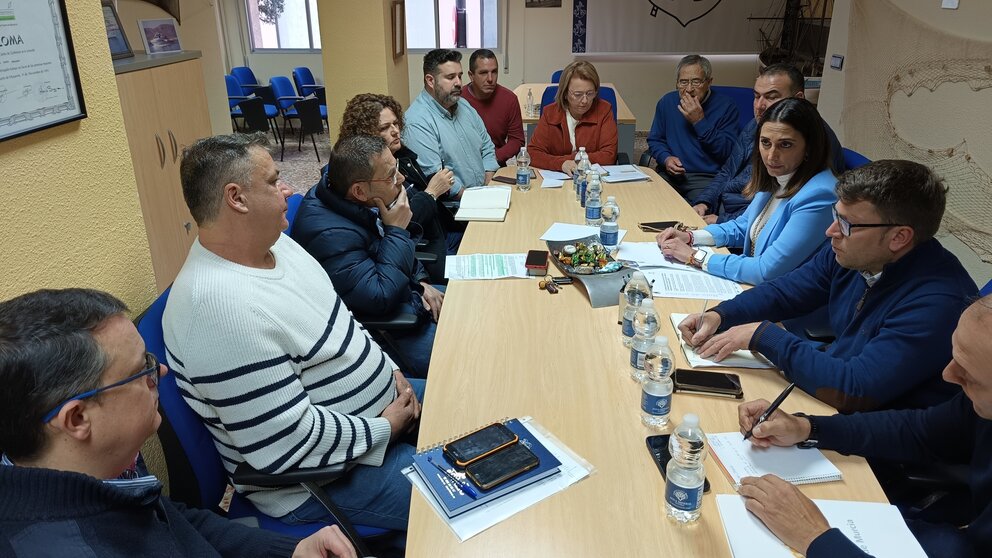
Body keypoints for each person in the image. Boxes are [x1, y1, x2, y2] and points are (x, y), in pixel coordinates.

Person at [163, 133, 422, 534]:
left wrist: (389, 371)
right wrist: (385, 429)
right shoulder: (218, 309)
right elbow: (287, 441)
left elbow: (345, 322)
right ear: (237, 198)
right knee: (481, 495)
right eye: (273, 180)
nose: (289, 188)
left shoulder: (279, 245)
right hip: (320, 481)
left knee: (478, 405)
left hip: (377, 420)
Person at [0, 288, 357, 558]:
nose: (162, 371)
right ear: (78, 419)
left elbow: (170, 519)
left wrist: (290, 551)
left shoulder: (104, 465)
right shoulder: (74, 546)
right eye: (142, 370)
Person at [678, 160, 977, 413]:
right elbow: (787, 291)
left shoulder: (938, 302)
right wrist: (721, 315)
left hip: (882, 439)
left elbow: (855, 389)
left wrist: (762, 336)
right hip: (833, 396)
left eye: (846, 224)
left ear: (899, 237)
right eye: (836, 216)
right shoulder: (855, 252)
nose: (831, 231)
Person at [735, 294, 992, 558]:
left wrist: (814, 538)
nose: (948, 374)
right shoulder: (981, 405)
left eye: (967, 372)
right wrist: (807, 427)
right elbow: (919, 431)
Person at [292, 135, 444, 379]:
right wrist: (397, 231)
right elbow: (379, 297)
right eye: (392, 175)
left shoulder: (348, 197)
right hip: (387, 326)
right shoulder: (329, 234)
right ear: (360, 191)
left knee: (473, 310)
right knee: (468, 356)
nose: (402, 180)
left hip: (406, 294)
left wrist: (422, 282)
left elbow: (386, 252)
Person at [656, 98, 837, 285]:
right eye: (765, 143)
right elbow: (743, 227)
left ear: (809, 147)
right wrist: (691, 237)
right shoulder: (780, 175)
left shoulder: (820, 195)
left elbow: (765, 270)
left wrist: (695, 256)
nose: (771, 155)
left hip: (787, 307)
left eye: (785, 145)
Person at [691, 64, 844, 224]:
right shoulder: (756, 124)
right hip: (725, 212)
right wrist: (704, 202)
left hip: (744, 225)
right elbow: (728, 171)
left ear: (798, 99)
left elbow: (780, 208)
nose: (759, 106)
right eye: (757, 96)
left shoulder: (814, 142)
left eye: (771, 97)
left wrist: (722, 221)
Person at [337, 92, 457, 280]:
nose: (395, 131)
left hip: (442, 234)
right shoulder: (369, 173)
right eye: (385, 127)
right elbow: (400, 221)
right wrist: (432, 192)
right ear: (365, 135)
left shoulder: (401, 155)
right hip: (427, 254)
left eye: (396, 123)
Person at [402, 48, 498, 198]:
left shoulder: (464, 105)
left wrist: (488, 181)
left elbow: (487, 145)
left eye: (459, 76)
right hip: (456, 208)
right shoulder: (417, 122)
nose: (459, 83)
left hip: (484, 192)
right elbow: (437, 178)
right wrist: (476, 199)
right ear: (430, 80)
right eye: (450, 77)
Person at [647, 54, 741, 202]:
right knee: (648, 202)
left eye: (696, 82)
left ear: (709, 82)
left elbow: (727, 152)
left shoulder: (726, 106)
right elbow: (655, 139)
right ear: (677, 83)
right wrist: (666, 158)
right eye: (683, 82)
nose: (689, 89)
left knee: (696, 215)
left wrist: (699, 121)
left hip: (705, 177)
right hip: (670, 174)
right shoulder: (667, 102)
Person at [527, 60, 618, 173]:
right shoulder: (550, 113)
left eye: (590, 93)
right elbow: (532, 154)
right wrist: (561, 164)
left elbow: (608, 156)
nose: (585, 101)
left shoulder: (604, 110)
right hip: (557, 178)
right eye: (578, 94)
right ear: (565, 93)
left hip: (591, 178)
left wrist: (570, 161)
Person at [462, 49, 525, 166]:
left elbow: (517, 140)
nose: (490, 79)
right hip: (464, 166)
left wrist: (493, 158)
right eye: (483, 73)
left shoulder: (509, 99)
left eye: (494, 72)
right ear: (471, 76)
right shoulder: (459, 99)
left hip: (496, 162)